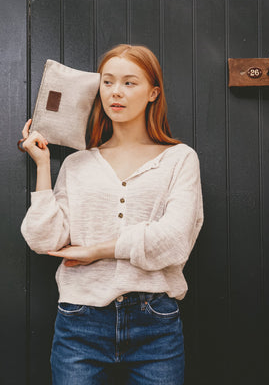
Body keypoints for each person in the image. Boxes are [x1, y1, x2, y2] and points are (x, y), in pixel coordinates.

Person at [20, 44, 204, 385]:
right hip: (80, 321)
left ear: (153, 93)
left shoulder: (179, 159)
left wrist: (98, 250)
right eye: (108, 82)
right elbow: (43, 238)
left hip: (156, 323)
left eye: (129, 83)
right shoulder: (76, 164)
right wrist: (43, 166)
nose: (116, 92)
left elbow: (175, 242)